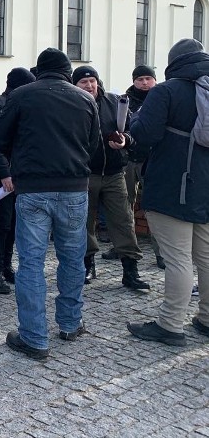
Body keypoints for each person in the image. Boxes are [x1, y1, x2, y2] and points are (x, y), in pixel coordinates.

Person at [0, 48, 99, 360]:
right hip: (75, 189)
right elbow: (92, 145)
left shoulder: (23, 95)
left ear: (39, 70)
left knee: (31, 263)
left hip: (34, 189)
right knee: (72, 258)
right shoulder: (86, 99)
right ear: (68, 72)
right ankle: (69, 323)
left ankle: (35, 338)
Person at [127, 38, 209, 346]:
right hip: (206, 186)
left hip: (172, 184)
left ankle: (170, 324)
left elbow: (144, 133)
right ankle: (206, 319)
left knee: (177, 259)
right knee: (206, 257)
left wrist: (131, 130)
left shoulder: (167, 91)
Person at [72, 65, 149, 291]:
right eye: (83, 82)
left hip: (115, 172)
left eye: (92, 81)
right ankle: (87, 264)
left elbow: (133, 130)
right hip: (85, 175)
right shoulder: (73, 106)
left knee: (124, 221)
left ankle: (130, 270)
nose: (89, 85)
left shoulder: (114, 102)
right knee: (84, 223)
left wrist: (125, 140)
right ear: (75, 85)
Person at [0, 67, 36, 295]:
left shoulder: (17, 103)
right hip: (2, 176)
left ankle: (6, 266)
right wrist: (5, 175)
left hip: (18, 175)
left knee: (14, 223)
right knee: (2, 223)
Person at [104, 65, 164, 268]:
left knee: (156, 207)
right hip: (128, 158)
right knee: (122, 207)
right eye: (140, 79)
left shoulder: (163, 98)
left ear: (155, 80)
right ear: (134, 81)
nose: (144, 83)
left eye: (148, 78)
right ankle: (122, 246)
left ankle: (161, 252)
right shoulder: (123, 100)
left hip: (153, 159)